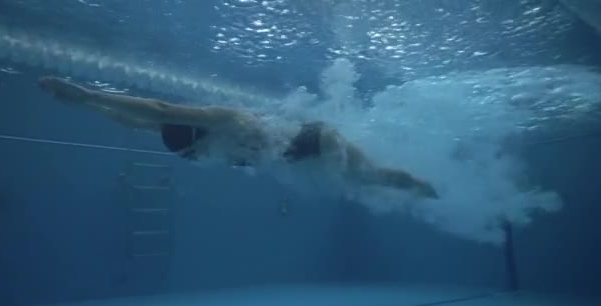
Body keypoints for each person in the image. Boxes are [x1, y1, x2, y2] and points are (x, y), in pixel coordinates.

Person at [38, 76, 439, 199]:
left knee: (364, 180)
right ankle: (415, 184)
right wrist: (83, 107)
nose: (197, 161)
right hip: (303, 152)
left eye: (194, 154)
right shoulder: (197, 136)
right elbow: (136, 123)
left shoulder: (221, 119)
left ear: (199, 137)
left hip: (320, 142)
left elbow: (157, 110)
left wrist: (89, 93)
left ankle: (420, 184)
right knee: (360, 183)